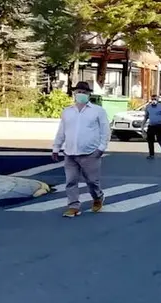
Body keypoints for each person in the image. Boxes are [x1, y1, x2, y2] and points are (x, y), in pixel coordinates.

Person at [51, 81, 110, 217]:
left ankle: (98, 197)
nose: (81, 95)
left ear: (89, 94)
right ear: (74, 93)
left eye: (84, 92)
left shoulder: (98, 111)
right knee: (71, 181)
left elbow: (105, 131)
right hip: (70, 152)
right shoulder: (67, 112)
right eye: (79, 92)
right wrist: (56, 148)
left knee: (91, 181)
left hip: (90, 153)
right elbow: (62, 131)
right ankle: (73, 206)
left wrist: (101, 148)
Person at [143, 94, 161, 159]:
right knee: (150, 140)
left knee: (159, 139)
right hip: (151, 126)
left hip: (159, 126)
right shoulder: (148, 107)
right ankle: (151, 154)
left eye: (155, 99)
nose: (153, 100)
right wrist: (142, 125)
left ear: (158, 99)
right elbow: (146, 116)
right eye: (152, 99)